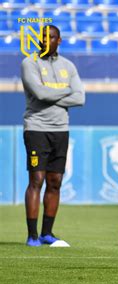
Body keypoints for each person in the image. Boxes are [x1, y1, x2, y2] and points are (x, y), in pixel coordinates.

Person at [21, 25, 85, 246]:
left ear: (59, 40)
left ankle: (47, 233)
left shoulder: (68, 66)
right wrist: (66, 91)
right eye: (44, 37)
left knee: (55, 181)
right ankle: (32, 235)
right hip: (36, 127)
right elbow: (39, 93)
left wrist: (52, 95)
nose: (48, 40)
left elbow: (80, 98)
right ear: (40, 40)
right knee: (36, 179)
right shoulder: (29, 63)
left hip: (61, 129)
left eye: (52, 37)